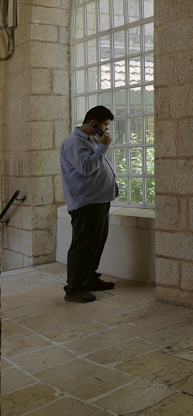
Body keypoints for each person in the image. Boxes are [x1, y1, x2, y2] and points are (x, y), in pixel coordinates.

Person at [60, 105, 118, 303]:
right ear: (93, 122)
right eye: (103, 125)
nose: (105, 130)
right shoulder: (73, 143)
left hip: (99, 200)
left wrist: (100, 145)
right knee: (83, 246)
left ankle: (90, 279)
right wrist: (103, 146)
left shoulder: (92, 140)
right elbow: (86, 168)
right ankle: (74, 288)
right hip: (86, 202)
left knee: (96, 243)